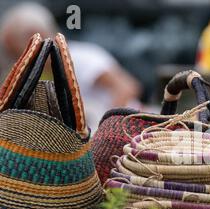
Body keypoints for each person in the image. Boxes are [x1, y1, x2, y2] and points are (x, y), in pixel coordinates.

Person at [0, 2, 142, 131]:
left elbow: (127, 87)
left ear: (37, 35)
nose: (16, 59)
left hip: (127, 133)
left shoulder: (80, 57)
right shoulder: (44, 73)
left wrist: (104, 130)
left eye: (15, 51)